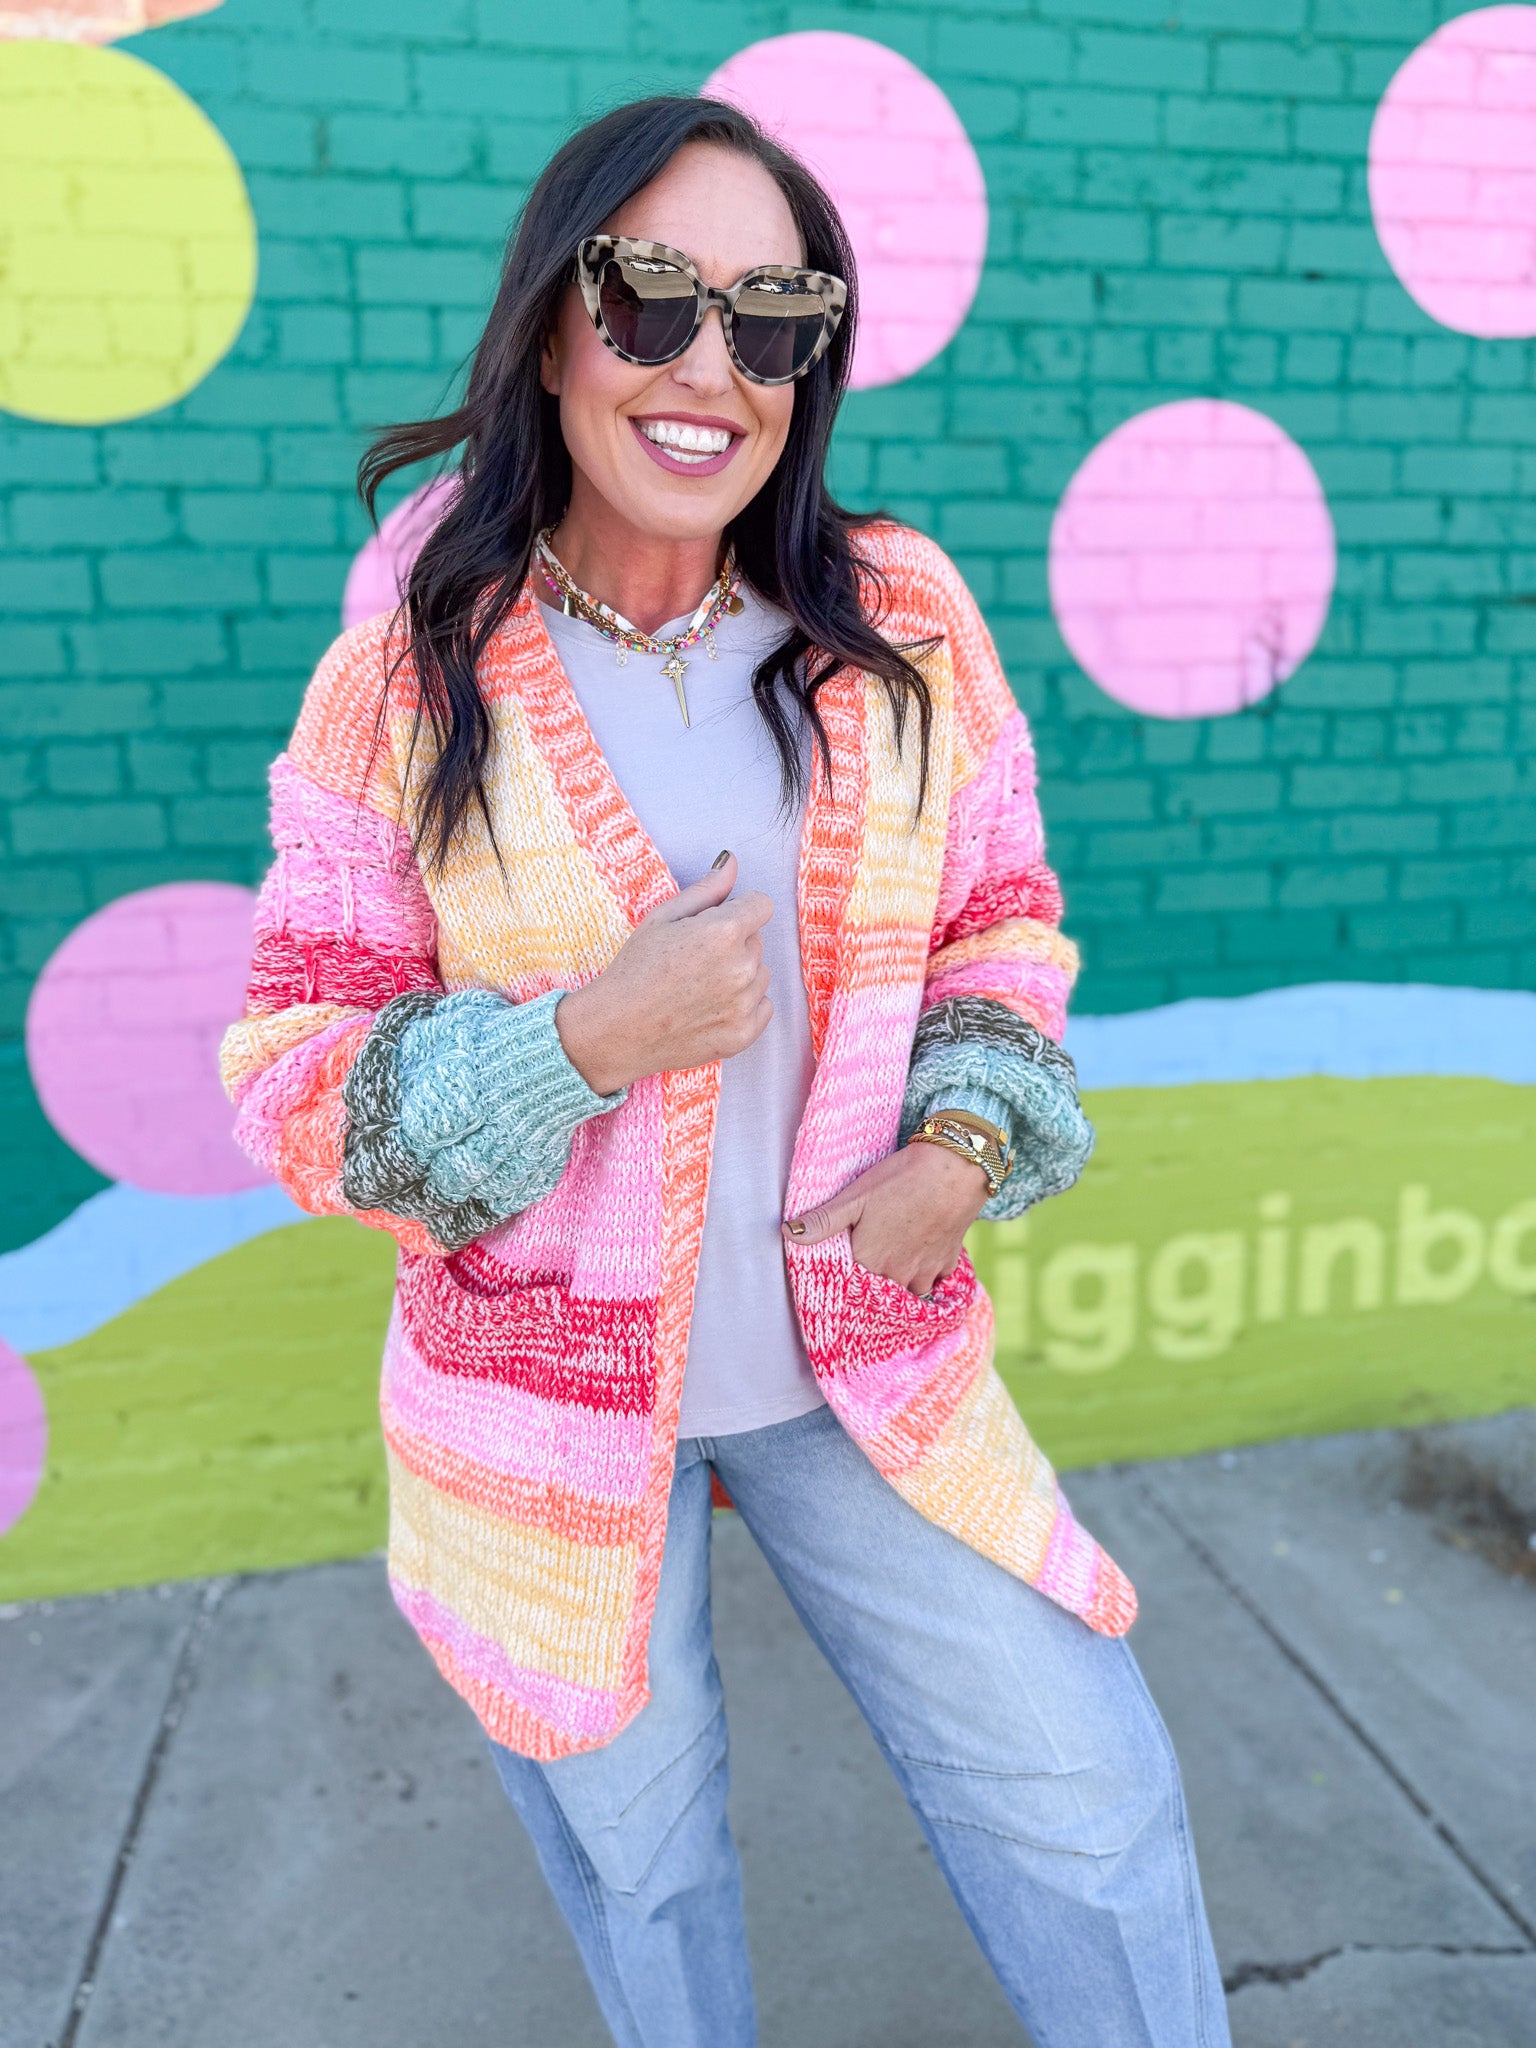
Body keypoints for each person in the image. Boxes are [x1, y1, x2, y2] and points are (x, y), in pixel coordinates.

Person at [221, 93, 1229, 2048]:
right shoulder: (404, 688)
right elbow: (293, 1079)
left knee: (1089, 1799)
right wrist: (583, 1042)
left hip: (856, 1367)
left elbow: (1002, 915)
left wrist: (964, 1142)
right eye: (651, 295)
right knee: (648, 1870)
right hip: (541, 1419)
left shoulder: (898, 622)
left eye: (771, 316)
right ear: (552, 321)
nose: (709, 363)